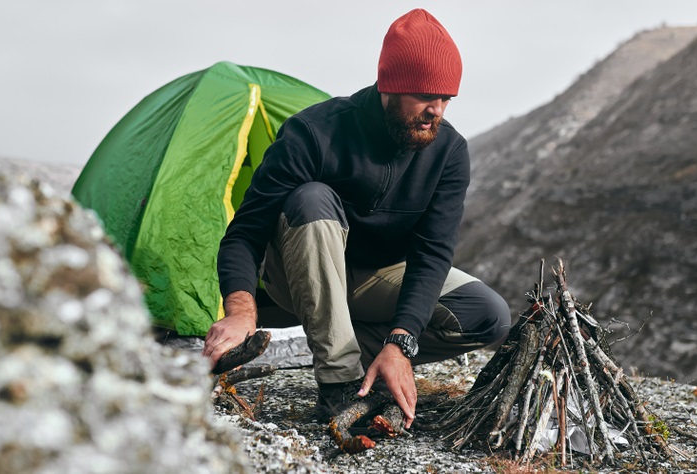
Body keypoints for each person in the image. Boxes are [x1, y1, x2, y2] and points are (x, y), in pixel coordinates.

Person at [203, 8, 510, 429]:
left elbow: (432, 253)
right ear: (390, 85)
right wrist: (240, 310)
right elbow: (245, 232)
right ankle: (340, 386)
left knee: (487, 312)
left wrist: (401, 343)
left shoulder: (449, 152)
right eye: (424, 96)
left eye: (445, 99)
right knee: (313, 199)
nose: (436, 110)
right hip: (295, 279)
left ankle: (347, 349)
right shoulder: (314, 133)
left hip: (372, 280)